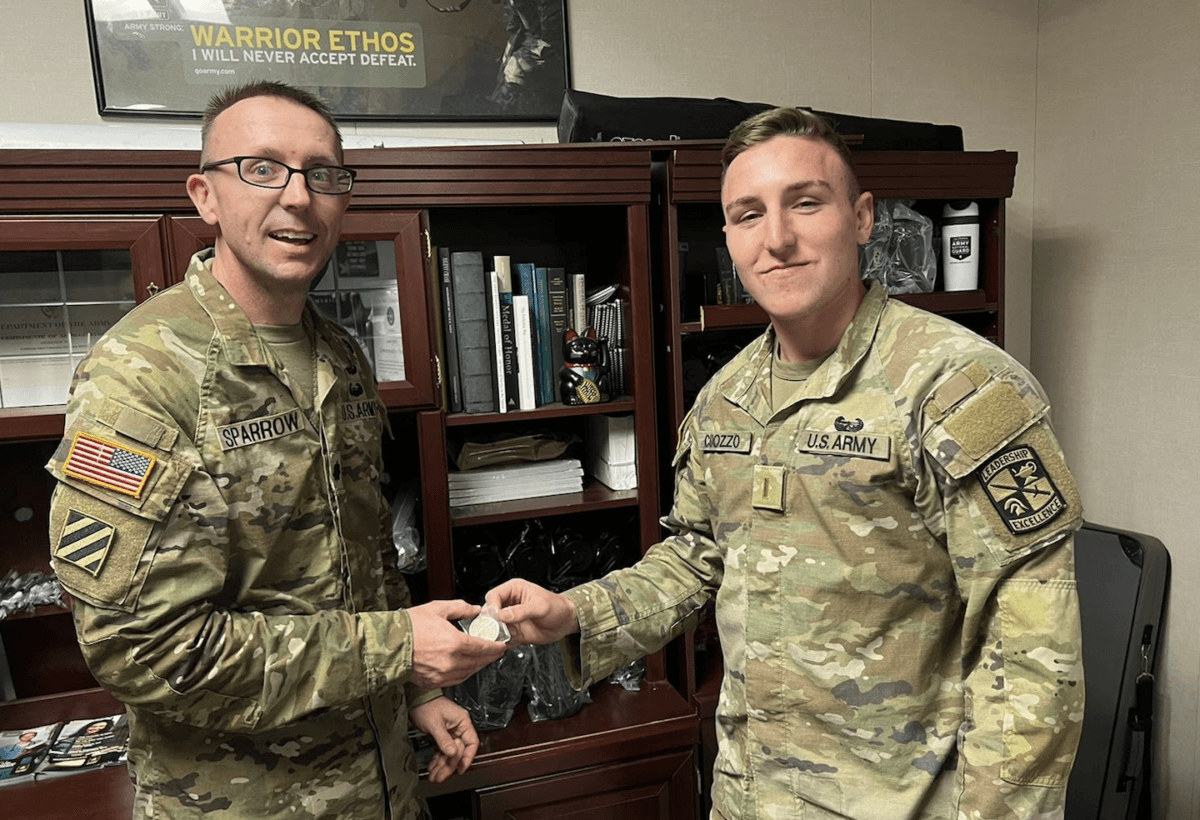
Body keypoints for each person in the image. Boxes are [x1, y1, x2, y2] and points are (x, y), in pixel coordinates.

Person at [487, 107, 1085, 820]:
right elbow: (700, 555)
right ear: (729, 238)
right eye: (747, 215)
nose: (777, 239)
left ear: (862, 217)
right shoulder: (725, 400)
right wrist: (574, 611)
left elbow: (1031, 656)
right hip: (750, 796)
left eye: (806, 202)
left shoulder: (955, 387)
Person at [45, 80, 506, 819]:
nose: (298, 198)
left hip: (379, 782)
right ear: (205, 196)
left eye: (324, 174)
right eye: (262, 168)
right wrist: (393, 650)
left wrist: (416, 690)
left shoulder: (342, 356)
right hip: (242, 800)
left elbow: (368, 558)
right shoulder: (141, 375)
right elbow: (144, 648)